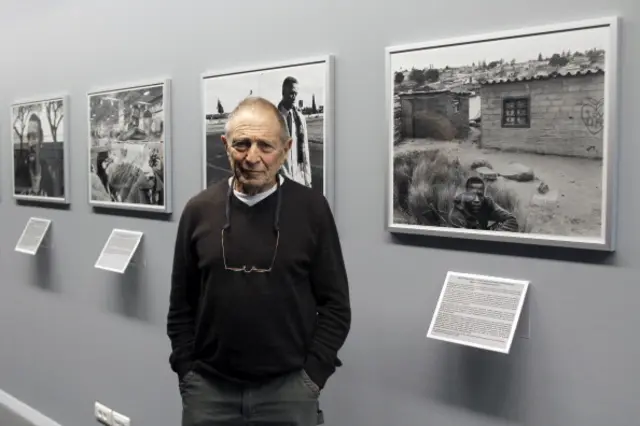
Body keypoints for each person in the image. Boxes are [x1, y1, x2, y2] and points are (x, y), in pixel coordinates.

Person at [167, 96, 351, 426]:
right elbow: (181, 306)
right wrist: (187, 373)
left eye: (265, 146)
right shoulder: (198, 211)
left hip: (289, 392)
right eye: (242, 144)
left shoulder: (312, 210)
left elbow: (336, 305)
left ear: (286, 148)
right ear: (225, 145)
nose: (252, 157)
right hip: (209, 393)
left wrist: (312, 378)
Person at [448, 176, 519, 232]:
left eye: (480, 195)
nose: (476, 200)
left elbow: (511, 220)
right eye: (472, 195)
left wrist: (496, 234)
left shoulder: (487, 202)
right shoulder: (456, 214)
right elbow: (469, 240)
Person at [277, 76, 312, 187]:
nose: (294, 97)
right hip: (280, 182)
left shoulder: (300, 119)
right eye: (291, 93)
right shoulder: (273, 118)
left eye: (296, 94)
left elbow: (305, 152)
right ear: (283, 92)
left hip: (299, 180)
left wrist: (308, 181)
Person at [14, 113, 55, 197]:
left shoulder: (48, 173)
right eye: (28, 137)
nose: (30, 143)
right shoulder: (21, 171)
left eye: (34, 137)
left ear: (41, 139)